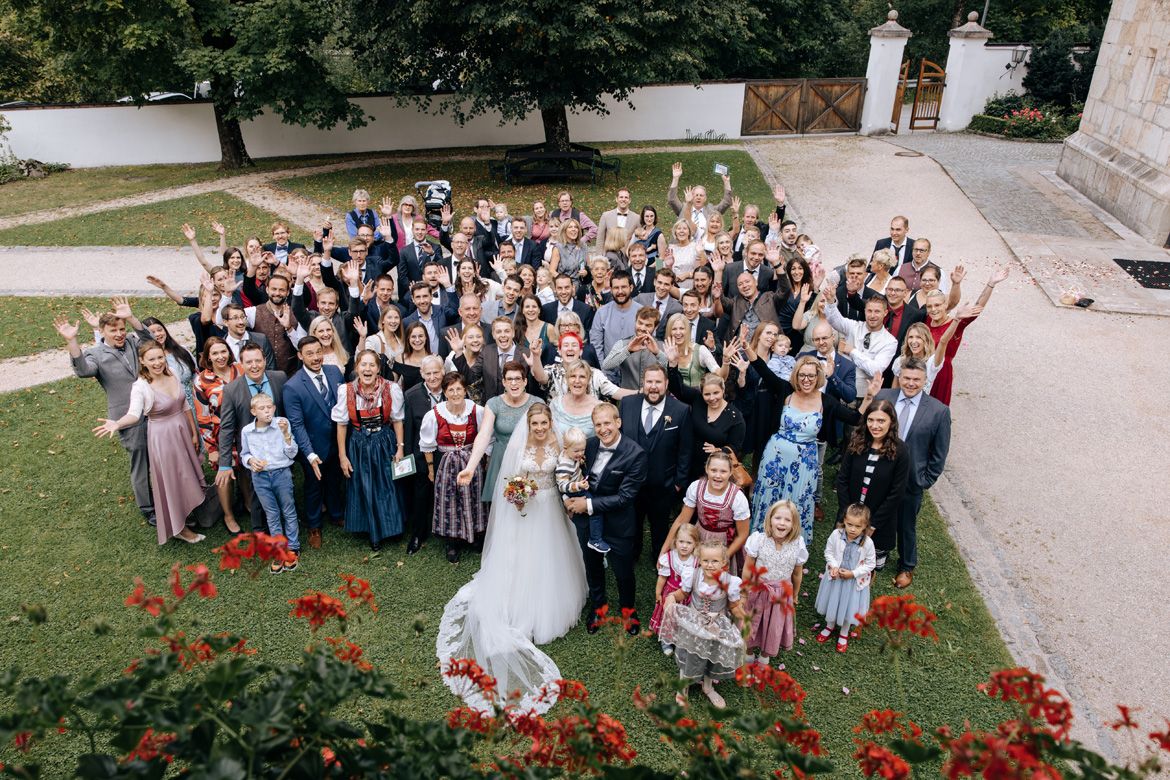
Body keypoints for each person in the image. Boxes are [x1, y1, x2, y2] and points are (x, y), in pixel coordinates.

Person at [438, 403, 587, 715]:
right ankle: (520, 607)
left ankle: (552, 602)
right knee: (523, 560)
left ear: (550, 422)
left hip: (552, 511)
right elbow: (512, 482)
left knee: (554, 559)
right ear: (529, 424)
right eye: (535, 424)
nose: (540, 428)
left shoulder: (558, 442)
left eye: (544, 423)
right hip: (527, 510)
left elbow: (568, 468)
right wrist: (519, 498)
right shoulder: (520, 447)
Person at [746, 347, 878, 546]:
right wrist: (749, 348)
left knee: (797, 500)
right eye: (802, 375)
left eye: (811, 375)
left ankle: (790, 544)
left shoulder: (826, 402)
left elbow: (854, 418)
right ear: (796, 376)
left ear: (818, 377)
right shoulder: (786, 391)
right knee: (769, 494)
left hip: (804, 463)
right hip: (775, 457)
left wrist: (868, 398)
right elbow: (764, 370)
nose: (806, 380)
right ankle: (761, 539)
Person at [92, 342, 206, 545]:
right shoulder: (141, 386)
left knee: (186, 472)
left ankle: (187, 511)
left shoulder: (172, 374)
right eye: (151, 359)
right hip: (163, 437)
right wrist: (117, 424)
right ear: (142, 361)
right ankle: (179, 528)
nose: (157, 362)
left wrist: (193, 431)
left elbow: (185, 403)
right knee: (173, 479)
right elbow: (134, 415)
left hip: (182, 430)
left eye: (160, 357)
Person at [57, 301, 156, 526]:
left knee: (162, 456)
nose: (120, 334)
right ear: (102, 332)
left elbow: (151, 341)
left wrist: (131, 318)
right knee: (141, 464)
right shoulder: (95, 354)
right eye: (113, 330)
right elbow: (83, 370)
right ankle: (148, 509)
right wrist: (72, 342)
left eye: (122, 329)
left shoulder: (132, 341)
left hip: (154, 410)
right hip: (127, 418)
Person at [563, 403, 647, 633]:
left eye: (607, 423)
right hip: (587, 522)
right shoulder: (588, 446)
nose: (603, 429)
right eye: (598, 424)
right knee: (592, 566)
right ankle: (598, 607)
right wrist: (569, 500)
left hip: (619, 522)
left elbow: (626, 497)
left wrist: (587, 504)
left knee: (623, 571)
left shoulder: (635, 453)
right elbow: (569, 470)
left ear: (618, 422)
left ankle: (628, 611)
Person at [875, 359, 951, 589]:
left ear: (925, 380)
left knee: (906, 522)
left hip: (911, 478)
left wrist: (926, 480)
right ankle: (878, 552)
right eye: (906, 378)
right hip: (882, 470)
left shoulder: (938, 411)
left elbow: (939, 452)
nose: (910, 383)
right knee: (878, 513)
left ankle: (907, 565)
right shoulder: (884, 396)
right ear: (900, 376)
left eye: (916, 379)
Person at [333, 350, 406, 552]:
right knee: (364, 485)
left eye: (371, 365)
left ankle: (391, 526)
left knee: (387, 484)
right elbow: (341, 425)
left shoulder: (390, 389)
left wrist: (400, 449)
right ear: (356, 368)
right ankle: (372, 531)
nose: (367, 369)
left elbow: (398, 420)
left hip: (384, 441)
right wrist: (342, 455)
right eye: (363, 365)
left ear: (378, 368)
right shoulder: (345, 391)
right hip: (358, 443)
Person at [659, 539, 746, 709]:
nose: (710, 565)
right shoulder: (693, 575)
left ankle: (708, 687)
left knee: (710, 656)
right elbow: (682, 593)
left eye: (715, 561)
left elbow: (734, 606)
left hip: (715, 627)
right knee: (689, 656)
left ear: (723, 562)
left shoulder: (729, 582)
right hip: (694, 625)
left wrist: (743, 616)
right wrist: (671, 597)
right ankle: (683, 687)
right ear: (699, 560)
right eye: (706, 560)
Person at [619, 364, 692, 558]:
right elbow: (619, 441)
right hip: (631, 482)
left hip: (663, 483)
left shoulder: (681, 410)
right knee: (632, 522)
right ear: (643, 383)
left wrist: (678, 482)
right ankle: (633, 553)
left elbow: (685, 449)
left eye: (658, 382)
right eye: (649, 381)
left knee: (660, 525)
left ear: (666, 383)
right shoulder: (627, 404)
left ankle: (659, 556)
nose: (653, 386)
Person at [283, 336, 345, 550]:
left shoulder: (335, 373)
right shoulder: (292, 387)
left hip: (337, 442)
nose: (316, 357)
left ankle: (337, 514)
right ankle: (314, 525)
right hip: (312, 446)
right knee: (313, 487)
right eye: (310, 353)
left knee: (335, 480)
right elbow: (297, 425)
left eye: (318, 352)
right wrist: (309, 454)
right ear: (300, 356)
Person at [835, 400, 910, 572]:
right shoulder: (857, 441)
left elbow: (896, 493)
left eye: (881, 421)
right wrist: (848, 515)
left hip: (879, 524)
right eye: (871, 420)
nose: (874, 425)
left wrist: (873, 524)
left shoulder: (900, 451)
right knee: (842, 563)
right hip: (850, 518)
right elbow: (842, 479)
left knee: (867, 570)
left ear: (891, 422)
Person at [421, 372, 487, 563]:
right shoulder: (434, 414)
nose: (456, 393)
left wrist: (484, 462)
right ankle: (453, 542)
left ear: (465, 390)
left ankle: (475, 536)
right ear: (444, 392)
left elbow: (486, 438)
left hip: (471, 460)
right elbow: (427, 445)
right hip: (448, 463)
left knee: (474, 497)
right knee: (450, 500)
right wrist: (432, 469)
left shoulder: (477, 410)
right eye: (451, 390)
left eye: (459, 389)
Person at [925, 266, 1008, 405]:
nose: (933, 309)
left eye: (937, 305)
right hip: (923, 369)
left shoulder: (956, 324)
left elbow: (978, 307)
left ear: (945, 305)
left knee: (935, 409)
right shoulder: (926, 321)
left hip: (942, 373)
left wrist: (991, 284)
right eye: (929, 306)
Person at [659, 451, 750, 575]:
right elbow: (681, 520)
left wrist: (724, 557)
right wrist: (665, 549)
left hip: (723, 545)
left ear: (730, 473)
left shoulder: (737, 498)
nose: (718, 475)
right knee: (694, 577)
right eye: (713, 470)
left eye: (723, 471)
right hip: (699, 538)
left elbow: (743, 535)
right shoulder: (696, 487)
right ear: (707, 469)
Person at [240, 393, 301, 572]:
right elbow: (244, 454)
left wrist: (286, 435)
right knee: (272, 513)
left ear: (274, 408)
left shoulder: (282, 423)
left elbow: (292, 453)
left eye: (269, 407)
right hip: (260, 477)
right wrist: (251, 461)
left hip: (282, 473)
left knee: (288, 510)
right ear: (253, 411)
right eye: (262, 408)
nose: (267, 411)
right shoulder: (247, 431)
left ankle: (293, 547)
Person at [465, 361, 539, 503]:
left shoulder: (536, 403)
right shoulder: (494, 404)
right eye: (509, 379)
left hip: (528, 460)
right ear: (504, 382)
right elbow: (484, 435)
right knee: (501, 507)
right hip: (501, 460)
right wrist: (470, 467)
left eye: (517, 379)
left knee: (529, 506)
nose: (514, 383)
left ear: (525, 381)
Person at [744, 500, 808, 664]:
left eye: (788, 520)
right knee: (751, 625)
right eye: (778, 518)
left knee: (773, 627)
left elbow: (797, 574)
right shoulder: (758, 540)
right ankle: (749, 655)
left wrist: (795, 595)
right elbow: (748, 568)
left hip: (781, 594)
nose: (782, 523)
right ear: (770, 519)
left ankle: (764, 659)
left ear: (794, 524)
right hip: (757, 590)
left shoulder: (797, 545)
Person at [193, 337, 244, 534]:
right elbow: (203, 416)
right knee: (225, 475)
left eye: (223, 351)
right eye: (214, 353)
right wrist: (211, 448)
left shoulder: (240, 370)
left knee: (244, 470)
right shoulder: (201, 381)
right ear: (207, 357)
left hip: (243, 430)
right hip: (220, 434)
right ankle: (228, 514)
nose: (220, 356)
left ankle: (246, 502)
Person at [665, 361, 746, 483]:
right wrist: (672, 365)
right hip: (688, 464)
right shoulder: (697, 400)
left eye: (716, 393)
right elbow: (677, 388)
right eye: (707, 394)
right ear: (701, 393)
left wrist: (719, 450)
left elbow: (735, 446)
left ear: (723, 390)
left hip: (713, 472)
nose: (712, 398)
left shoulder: (735, 417)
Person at [814, 504, 876, 654]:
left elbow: (870, 564)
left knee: (849, 606)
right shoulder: (836, 535)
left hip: (853, 583)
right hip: (836, 580)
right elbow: (828, 552)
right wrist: (834, 566)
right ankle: (829, 625)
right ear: (844, 521)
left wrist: (853, 573)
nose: (853, 529)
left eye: (857, 526)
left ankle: (844, 632)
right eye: (849, 524)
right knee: (833, 601)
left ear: (865, 526)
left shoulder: (867, 543)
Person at [402, 356, 445, 555]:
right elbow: (409, 429)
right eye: (428, 373)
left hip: (447, 454)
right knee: (421, 496)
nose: (433, 377)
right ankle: (418, 534)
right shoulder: (411, 395)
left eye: (436, 372)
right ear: (421, 374)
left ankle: (449, 534)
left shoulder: (452, 390)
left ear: (443, 371)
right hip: (421, 455)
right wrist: (410, 457)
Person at [822, 292, 898, 398]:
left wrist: (852, 351)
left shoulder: (890, 341)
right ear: (865, 311)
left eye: (877, 311)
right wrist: (831, 302)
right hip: (839, 388)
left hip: (863, 396)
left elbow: (875, 370)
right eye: (869, 311)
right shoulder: (854, 326)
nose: (872, 315)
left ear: (885, 313)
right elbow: (834, 320)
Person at [650, 523, 698, 654]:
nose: (684, 545)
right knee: (669, 618)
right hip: (670, 593)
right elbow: (662, 578)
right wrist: (658, 593)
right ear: (675, 541)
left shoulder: (696, 561)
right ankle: (667, 642)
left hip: (687, 596)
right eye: (681, 541)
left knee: (683, 620)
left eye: (689, 542)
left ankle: (681, 640)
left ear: (695, 544)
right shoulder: (669, 557)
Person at [556, 427, 604, 551]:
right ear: (565, 448)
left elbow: (577, 460)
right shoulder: (564, 465)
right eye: (577, 451)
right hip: (575, 491)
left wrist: (579, 458)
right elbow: (561, 485)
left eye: (582, 450)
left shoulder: (571, 456)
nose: (580, 453)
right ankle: (595, 539)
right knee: (595, 510)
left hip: (579, 487)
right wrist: (578, 485)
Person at [601, 307, 667, 391]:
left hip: (654, 398)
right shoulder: (622, 343)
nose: (642, 328)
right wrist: (627, 350)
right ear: (635, 321)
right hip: (628, 397)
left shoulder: (662, 346)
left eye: (648, 325)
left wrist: (657, 353)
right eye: (640, 323)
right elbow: (606, 365)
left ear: (656, 326)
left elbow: (670, 372)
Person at [668, 161, 733, 240]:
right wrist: (675, 178)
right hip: (684, 245)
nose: (698, 197)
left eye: (701, 195)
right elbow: (672, 200)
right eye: (696, 195)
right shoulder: (684, 208)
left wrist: (726, 182)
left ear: (705, 198)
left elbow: (727, 202)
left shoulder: (711, 210)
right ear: (691, 197)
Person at [548, 359, 602, 437]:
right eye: (573, 376)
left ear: (588, 380)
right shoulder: (556, 404)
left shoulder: (598, 407)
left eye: (582, 377)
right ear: (567, 379)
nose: (577, 381)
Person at [395, 322, 434, 391]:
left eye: (421, 336)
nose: (417, 340)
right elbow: (391, 383)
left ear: (426, 337)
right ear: (408, 338)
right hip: (408, 400)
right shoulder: (400, 359)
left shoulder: (435, 359)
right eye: (413, 337)